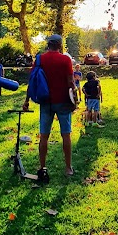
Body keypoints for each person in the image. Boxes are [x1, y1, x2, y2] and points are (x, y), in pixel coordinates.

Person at [23, 34, 76, 182]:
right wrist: (75, 100)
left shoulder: (40, 59)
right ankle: (68, 168)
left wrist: (26, 100)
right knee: (66, 135)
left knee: (44, 136)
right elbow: (71, 82)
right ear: (60, 45)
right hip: (63, 101)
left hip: (45, 101)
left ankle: (42, 167)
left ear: (48, 45)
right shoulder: (65, 59)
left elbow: (32, 80)